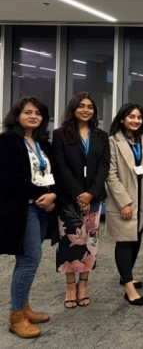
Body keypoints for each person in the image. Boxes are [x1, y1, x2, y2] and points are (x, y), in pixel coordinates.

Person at [0, 96, 57, 338]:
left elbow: (54, 174)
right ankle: (16, 317)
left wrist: (53, 195)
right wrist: (42, 194)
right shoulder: (7, 142)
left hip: (42, 207)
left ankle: (24, 307)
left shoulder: (43, 143)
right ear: (17, 115)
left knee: (29, 257)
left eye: (38, 113)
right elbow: (9, 178)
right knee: (29, 259)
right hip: (22, 207)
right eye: (28, 112)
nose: (33, 116)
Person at [53, 92, 110, 309]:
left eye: (90, 106)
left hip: (94, 198)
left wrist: (91, 194)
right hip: (69, 199)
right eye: (81, 106)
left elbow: (104, 166)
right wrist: (79, 194)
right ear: (73, 108)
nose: (86, 110)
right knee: (68, 243)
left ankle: (84, 284)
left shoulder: (100, 135)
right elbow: (61, 166)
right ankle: (70, 286)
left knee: (90, 243)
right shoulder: (60, 134)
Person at [105, 103, 143, 306]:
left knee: (137, 236)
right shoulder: (113, 142)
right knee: (124, 241)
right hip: (124, 198)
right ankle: (128, 287)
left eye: (139, 117)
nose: (135, 121)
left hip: (142, 197)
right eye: (131, 117)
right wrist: (124, 202)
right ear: (122, 119)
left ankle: (127, 275)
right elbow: (111, 175)